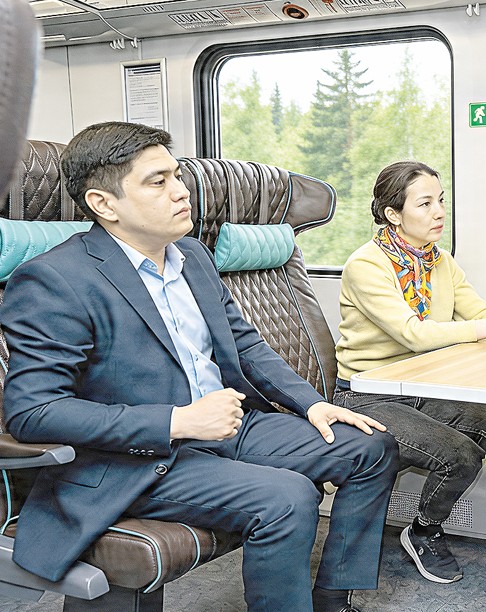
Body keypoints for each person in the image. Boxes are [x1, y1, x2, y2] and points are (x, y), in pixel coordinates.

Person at [0, 122, 400, 612]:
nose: (181, 191)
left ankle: (333, 599)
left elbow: (244, 343)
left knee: (370, 448)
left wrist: (312, 404)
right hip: (136, 458)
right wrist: (179, 421)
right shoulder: (55, 280)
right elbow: (34, 413)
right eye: (158, 182)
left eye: (177, 176)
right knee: (289, 496)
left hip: (225, 427)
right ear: (104, 204)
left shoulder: (192, 255)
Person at [334, 161, 486, 588]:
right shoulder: (366, 265)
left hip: (420, 387)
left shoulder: (440, 261)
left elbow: (478, 312)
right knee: (459, 455)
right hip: (366, 395)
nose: (439, 212)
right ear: (393, 214)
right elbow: (414, 333)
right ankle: (423, 532)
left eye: (440, 200)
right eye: (425, 203)